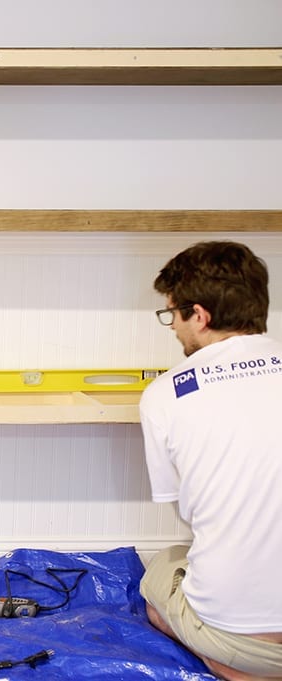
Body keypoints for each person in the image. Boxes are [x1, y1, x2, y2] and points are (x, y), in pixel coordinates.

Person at [138, 240, 282, 680]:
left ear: (199, 315)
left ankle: (227, 663)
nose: (174, 327)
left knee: (160, 576)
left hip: (242, 643)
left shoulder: (165, 394)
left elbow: (185, 505)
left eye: (173, 315)